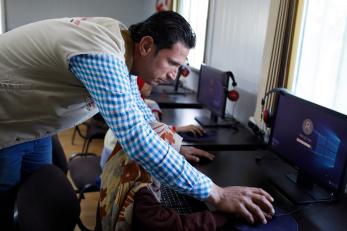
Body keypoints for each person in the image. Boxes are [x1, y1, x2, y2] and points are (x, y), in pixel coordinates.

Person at [0, 11, 274, 229]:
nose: (174, 75)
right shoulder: (103, 53)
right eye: (172, 63)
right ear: (146, 45)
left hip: (34, 125)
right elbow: (136, 138)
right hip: (7, 123)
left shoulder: (122, 47)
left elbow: (139, 111)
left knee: (34, 202)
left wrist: (171, 147)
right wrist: (217, 194)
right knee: (7, 205)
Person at [99, 76, 206, 168]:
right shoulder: (133, 109)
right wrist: (179, 144)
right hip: (113, 169)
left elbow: (152, 122)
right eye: (146, 81)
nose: (151, 84)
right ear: (136, 84)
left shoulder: (135, 100)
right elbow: (151, 131)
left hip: (112, 158)